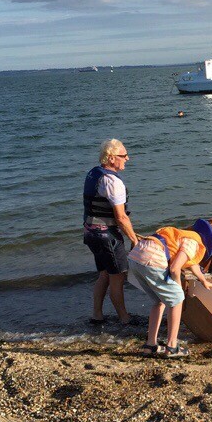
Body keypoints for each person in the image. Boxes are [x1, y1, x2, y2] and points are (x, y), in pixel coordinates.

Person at [128, 224, 212, 357]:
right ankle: (172, 347)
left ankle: (150, 345)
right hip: (152, 259)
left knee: (158, 302)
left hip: (135, 257)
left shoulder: (184, 236)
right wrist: (179, 290)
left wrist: (202, 280)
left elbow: (192, 264)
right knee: (177, 300)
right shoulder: (194, 243)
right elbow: (175, 268)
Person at [83, 139, 140, 325]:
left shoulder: (94, 174)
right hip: (106, 235)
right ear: (112, 158)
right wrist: (135, 240)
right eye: (124, 156)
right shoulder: (113, 182)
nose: (127, 158)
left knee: (104, 274)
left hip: (91, 232)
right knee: (117, 276)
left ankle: (97, 315)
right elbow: (121, 217)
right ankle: (124, 318)